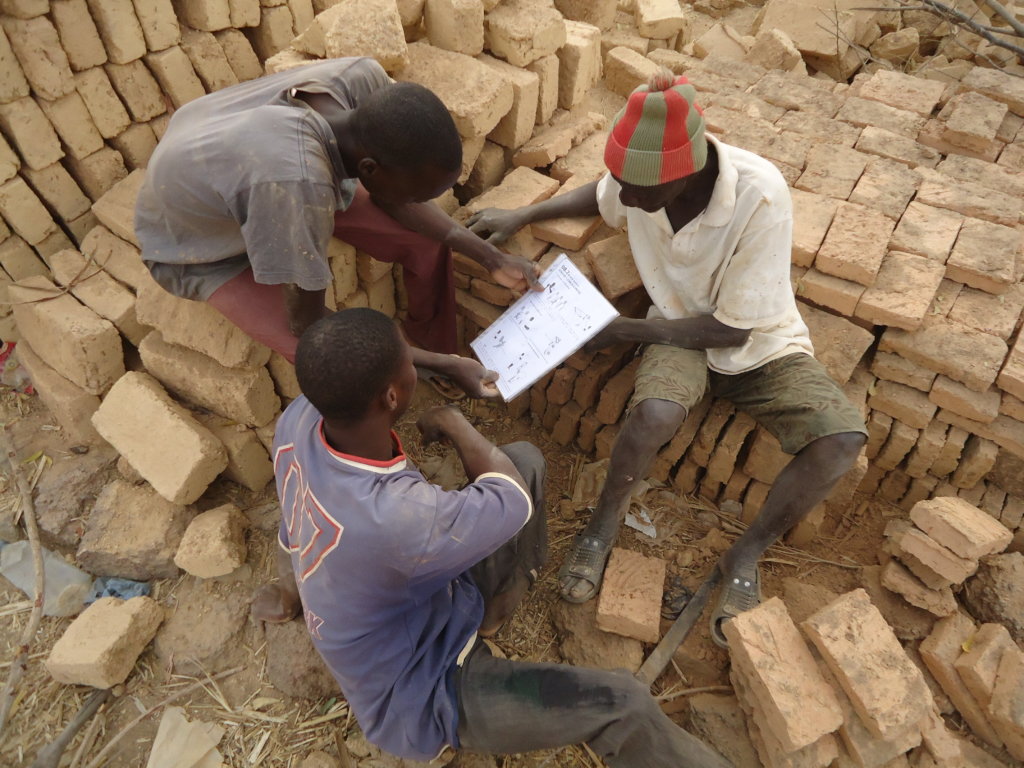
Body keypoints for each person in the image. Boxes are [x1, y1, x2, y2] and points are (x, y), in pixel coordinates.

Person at [465, 70, 867, 647]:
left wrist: (621, 329)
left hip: (755, 339)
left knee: (841, 440)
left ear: (684, 173)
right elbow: (604, 195)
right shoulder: (643, 179)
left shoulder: (761, 196)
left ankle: (744, 556)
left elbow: (731, 329)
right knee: (652, 415)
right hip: (674, 326)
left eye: (638, 191)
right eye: (623, 184)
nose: (625, 198)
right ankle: (603, 526)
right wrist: (525, 215)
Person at [251, 307, 731, 768]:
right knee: (623, 704)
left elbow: (297, 526)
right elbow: (512, 499)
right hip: (422, 688)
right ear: (392, 396)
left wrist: (290, 586)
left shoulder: (299, 419)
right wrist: (452, 420)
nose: (415, 362)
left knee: (522, 457)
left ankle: (493, 612)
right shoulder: (400, 518)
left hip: (421, 600)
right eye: (409, 361)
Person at [135, 56, 539, 398]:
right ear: (368, 169)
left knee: (426, 240)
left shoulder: (363, 80)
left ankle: (432, 345)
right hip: (193, 243)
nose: (419, 203)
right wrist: (438, 365)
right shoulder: (297, 185)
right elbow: (308, 324)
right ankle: (431, 373)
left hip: (239, 156)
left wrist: (492, 257)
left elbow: (395, 199)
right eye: (415, 194)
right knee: (337, 360)